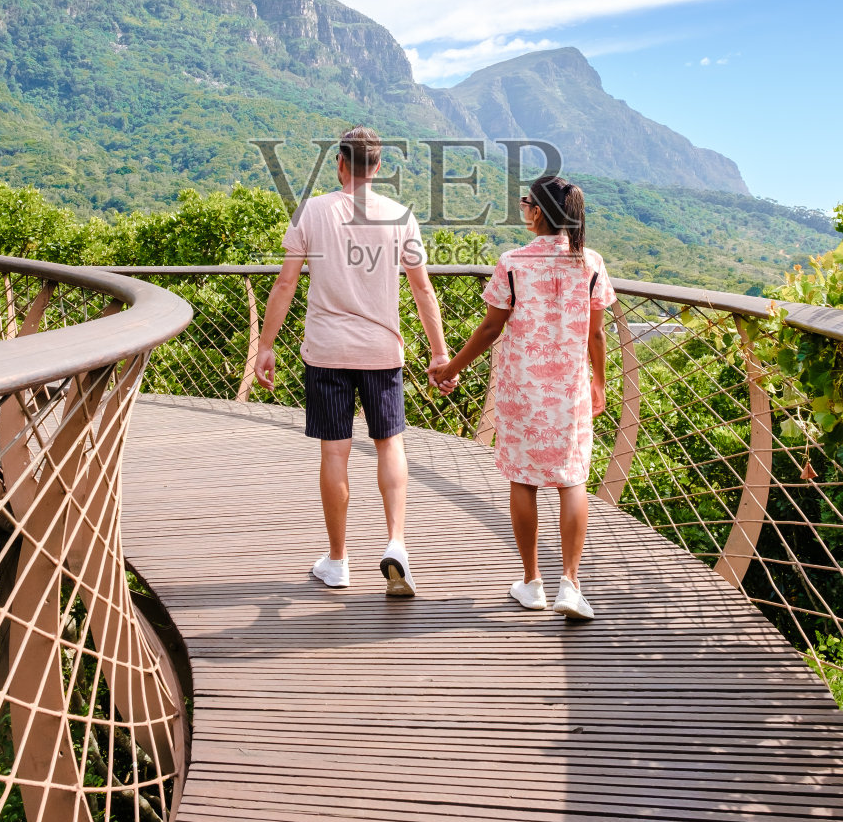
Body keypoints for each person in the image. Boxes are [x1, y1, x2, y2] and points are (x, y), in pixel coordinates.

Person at [253, 125, 453, 597]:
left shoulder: (313, 211)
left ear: (340, 163)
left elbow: (285, 284)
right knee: (390, 445)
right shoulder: (399, 215)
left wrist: (265, 345)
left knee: (335, 451)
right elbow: (422, 288)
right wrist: (440, 352)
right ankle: (397, 542)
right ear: (378, 167)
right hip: (382, 352)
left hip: (326, 350)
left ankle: (338, 560)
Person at [429, 175, 614, 621]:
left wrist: (451, 368)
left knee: (524, 480)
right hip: (570, 389)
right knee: (573, 480)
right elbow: (596, 333)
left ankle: (532, 583)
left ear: (537, 211)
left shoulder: (512, 262)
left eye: (526, 203)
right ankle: (570, 583)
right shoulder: (590, 263)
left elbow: (492, 328)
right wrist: (601, 383)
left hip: (522, 389)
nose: (524, 209)